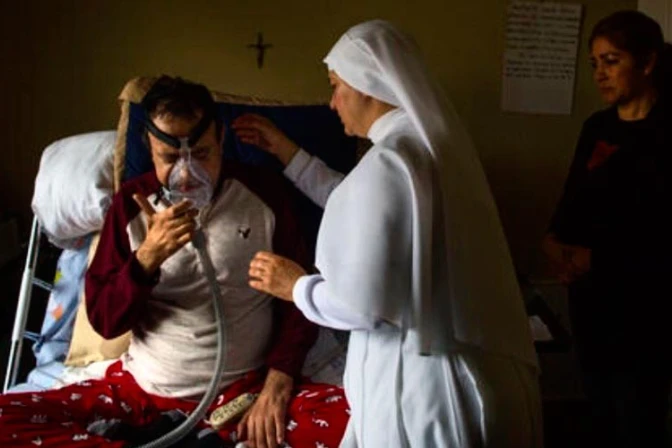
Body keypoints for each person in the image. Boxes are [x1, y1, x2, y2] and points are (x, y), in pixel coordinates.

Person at [233, 20, 542, 447]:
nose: (332, 102)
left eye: (336, 86)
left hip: (425, 393)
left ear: (366, 85)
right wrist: (289, 153)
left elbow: (361, 305)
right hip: (479, 375)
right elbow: (360, 204)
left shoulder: (388, 163)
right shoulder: (431, 147)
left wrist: (296, 287)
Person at [0, 76, 349, 448]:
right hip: (143, 393)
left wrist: (276, 387)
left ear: (221, 140)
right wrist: (147, 258)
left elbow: (298, 301)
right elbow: (105, 321)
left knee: (362, 423)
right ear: (150, 149)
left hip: (244, 395)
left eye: (201, 154)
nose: (186, 175)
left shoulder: (263, 195)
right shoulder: (130, 206)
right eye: (170, 158)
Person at [542, 10, 672, 448]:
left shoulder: (666, 132)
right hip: (590, 298)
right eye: (595, 63)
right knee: (598, 410)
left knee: (638, 415)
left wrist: (597, 258)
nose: (600, 73)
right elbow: (572, 200)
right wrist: (554, 241)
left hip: (645, 305)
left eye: (612, 61)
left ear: (647, 62)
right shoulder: (596, 128)